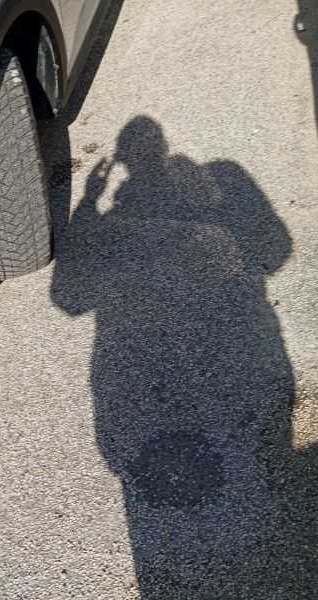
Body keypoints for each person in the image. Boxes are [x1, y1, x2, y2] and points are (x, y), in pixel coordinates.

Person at [52, 116, 315, 597]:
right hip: (241, 346)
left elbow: (69, 299)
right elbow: (275, 252)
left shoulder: (129, 212)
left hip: (136, 367)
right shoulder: (215, 182)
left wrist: (90, 206)